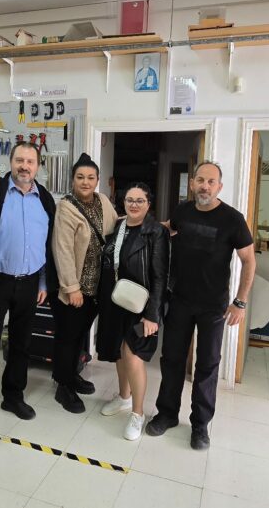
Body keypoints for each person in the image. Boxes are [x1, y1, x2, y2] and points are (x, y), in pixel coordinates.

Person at [145, 161, 256, 450]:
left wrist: (240, 302)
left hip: (213, 307)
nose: (205, 186)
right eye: (201, 180)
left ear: (219, 186)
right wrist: (137, 221)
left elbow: (248, 260)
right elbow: (168, 229)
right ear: (193, 183)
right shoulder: (182, 211)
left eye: (211, 182)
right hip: (180, 300)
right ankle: (167, 414)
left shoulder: (232, 219)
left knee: (207, 365)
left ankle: (200, 425)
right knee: (172, 359)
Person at [0, 141, 57, 441]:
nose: (24, 166)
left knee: (21, 344)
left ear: (38, 166)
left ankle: (13, 396)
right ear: (11, 161)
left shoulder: (45, 199)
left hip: (30, 282)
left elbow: (47, 245)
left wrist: (43, 282)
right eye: (19, 160)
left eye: (30, 161)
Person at [96, 183, 169, 440]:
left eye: (140, 200)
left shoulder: (156, 232)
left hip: (141, 306)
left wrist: (152, 315)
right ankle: (124, 397)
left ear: (149, 204)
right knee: (119, 352)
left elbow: (160, 277)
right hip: (117, 301)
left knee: (133, 355)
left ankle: (138, 413)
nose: (134, 205)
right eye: (129, 200)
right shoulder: (118, 227)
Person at [50, 153, 118, 413]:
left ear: (97, 180)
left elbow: (115, 227)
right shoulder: (66, 208)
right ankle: (63, 386)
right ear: (72, 180)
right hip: (76, 288)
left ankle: (72, 375)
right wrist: (72, 288)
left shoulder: (103, 201)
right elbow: (63, 249)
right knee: (67, 338)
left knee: (80, 336)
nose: (85, 182)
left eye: (90, 177)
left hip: (97, 288)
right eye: (80, 177)